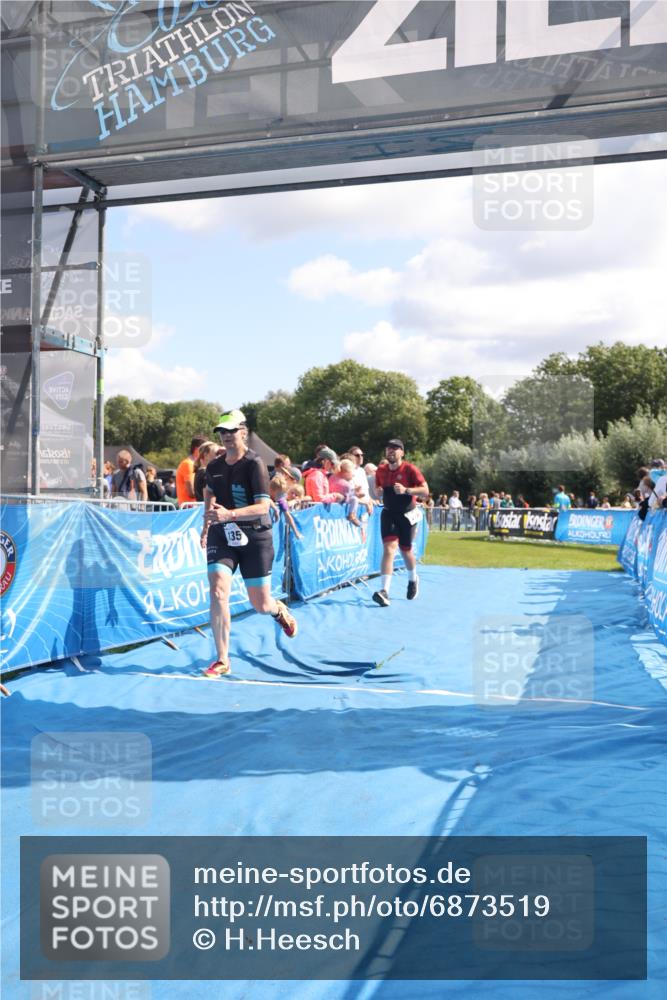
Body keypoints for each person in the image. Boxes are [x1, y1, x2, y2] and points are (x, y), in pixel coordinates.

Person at [201, 409, 297, 678]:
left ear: (244, 432)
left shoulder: (254, 463)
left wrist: (229, 514)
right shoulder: (214, 466)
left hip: (255, 536)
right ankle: (222, 659)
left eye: (232, 430)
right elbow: (208, 492)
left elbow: (264, 506)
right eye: (223, 431)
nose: (227, 436)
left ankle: (278, 610)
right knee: (218, 590)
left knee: (261, 604)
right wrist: (206, 524)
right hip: (223, 533)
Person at [372, 438, 429, 607]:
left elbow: (425, 491)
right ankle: (384, 591)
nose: (391, 451)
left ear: (402, 452)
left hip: (407, 515)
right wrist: (378, 492)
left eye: (395, 449)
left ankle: (413, 579)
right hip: (389, 513)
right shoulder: (381, 470)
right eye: (389, 448)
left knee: (406, 551)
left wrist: (407, 490)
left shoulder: (410, 469)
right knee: (389, 549)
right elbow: (377, 491)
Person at [176, 435, 207, 506]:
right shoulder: (188, 464)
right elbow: (191, 492)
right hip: (189, 509)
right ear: (197, 449)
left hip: (193, 507)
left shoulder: (194, 464)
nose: (206, 451)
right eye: (205, 449)